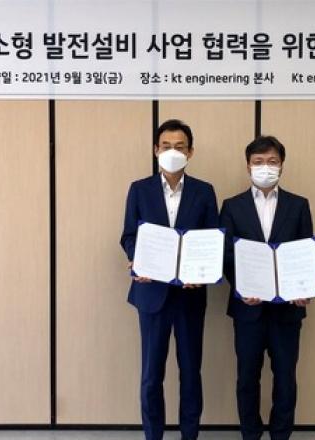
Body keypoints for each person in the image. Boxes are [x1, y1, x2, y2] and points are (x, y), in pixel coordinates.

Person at [120, 119, 218, 440]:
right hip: (151, 294)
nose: (172, 152)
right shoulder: (139, 189)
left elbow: (212, 240)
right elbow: (129, 235)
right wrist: (137, 258)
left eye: (179, 146)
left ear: (190, 152)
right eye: (166, 146)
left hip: (190, 296)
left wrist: (201, 272)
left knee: (190, 373)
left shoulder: (204, 191)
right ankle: (153, 436)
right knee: (151, 376)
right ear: (155, 150)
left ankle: (190, 435)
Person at [220, 135, 313, 440]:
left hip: (287, 311)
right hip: (248, 309)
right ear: (248, 166)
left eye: (272, 161)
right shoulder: (232, 206)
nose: (265, 167)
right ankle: (250, 434)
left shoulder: (298, 205)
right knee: (247, 379)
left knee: (285, 379)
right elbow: (226, 256)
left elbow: (304, 254)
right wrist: (241, 288)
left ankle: (280, 435)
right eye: (258, 162)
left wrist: (304, 288)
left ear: (282, 165)